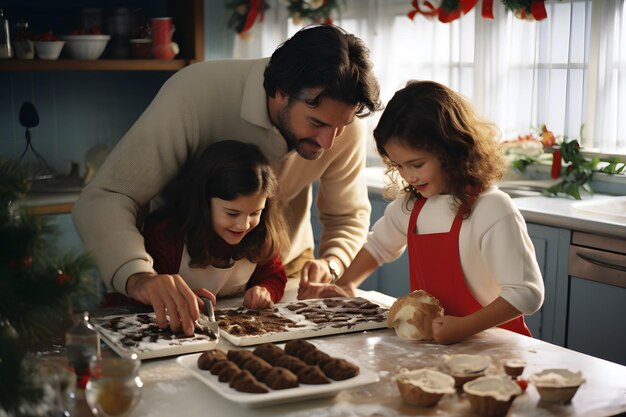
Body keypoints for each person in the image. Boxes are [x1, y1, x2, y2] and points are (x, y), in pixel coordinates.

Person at [72, 24, 382, 336]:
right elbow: (108, 196)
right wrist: (138, 276)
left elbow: (347, 215)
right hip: (173, 280)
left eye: (341, 126)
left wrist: (330, 264)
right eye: (316, 123)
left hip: (276, 276)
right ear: (280, 91)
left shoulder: (339, 119)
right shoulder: (194, 93)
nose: (329, 142)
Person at [298, 80, 545, 345]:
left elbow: (526, 293)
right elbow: (379, 246)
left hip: (497, 349)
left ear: (452, 150)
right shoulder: (412, 206)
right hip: (440, 346)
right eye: (399, 166)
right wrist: (346, 284)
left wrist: (463, 327)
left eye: (416, 164)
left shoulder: (491, 208)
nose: (408, 176)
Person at [142, 141, 288, 312]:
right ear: (203, 203)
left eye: (255, 213)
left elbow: (274, 277)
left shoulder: (261, 236)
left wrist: (265, 291)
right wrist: (174, 298)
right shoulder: (167, 237)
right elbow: (134, 296)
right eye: (232, 213)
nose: (244, 225)